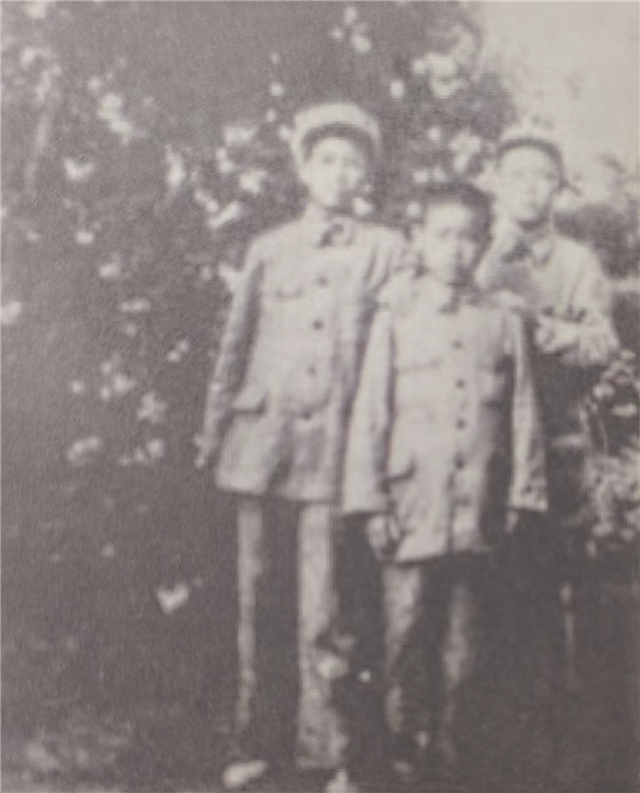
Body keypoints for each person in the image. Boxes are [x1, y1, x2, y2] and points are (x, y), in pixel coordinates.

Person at [196, 101, 406, 793]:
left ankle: (328, 752)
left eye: (353, 163)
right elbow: (234, 347)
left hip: (336, 454)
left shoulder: (388, 250)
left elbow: (397, 356)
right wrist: (214, 430)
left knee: (327, 613)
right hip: (261, 447)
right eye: (327, 161)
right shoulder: (270, 247)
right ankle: (256, 740)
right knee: (258, 603)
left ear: (367, 174)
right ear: (304, 170)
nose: (339, 173)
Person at [342, 182, 548, 785]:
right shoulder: (397, 317)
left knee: (465, 649)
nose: (455, 250)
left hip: (478, 511)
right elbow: (371, 413)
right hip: (411, 507)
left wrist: (523, 493)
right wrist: (371, 504)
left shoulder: (502, 320)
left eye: (468, 238)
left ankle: (452, 755)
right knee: (404, 635)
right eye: (442, 236)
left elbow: (523, 412)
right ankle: (402, 751)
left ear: (484, 244)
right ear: (419, 240)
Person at [475, 130, 619, 691]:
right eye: (517, 176)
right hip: (483, 442)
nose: (530, 189)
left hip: (555, 440)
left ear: (558, 188)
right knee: (483, 578)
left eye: (543, 178)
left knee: (556, 575)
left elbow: (602, 345)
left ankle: (560, 705)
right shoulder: (471, 250)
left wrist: (542, 328)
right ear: (496, 182)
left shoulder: (577, 262)